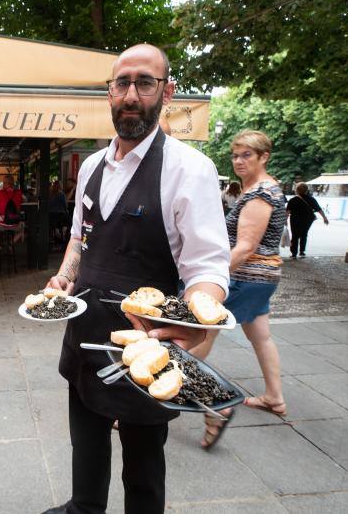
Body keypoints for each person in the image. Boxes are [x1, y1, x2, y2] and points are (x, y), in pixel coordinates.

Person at [41, 44, 230, 514]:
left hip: (147, 345)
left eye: (143, 83)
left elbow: (207, 266)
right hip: (84, 335)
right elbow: (79, 240)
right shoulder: (89, 167)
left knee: (143, 466)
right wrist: (63, 280)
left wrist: (199, 319)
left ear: (166, 92)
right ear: (109, 93)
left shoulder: (190, 169)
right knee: (85, 442)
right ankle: (83, 508)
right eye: (121, 83)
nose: (130, 94)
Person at [191, 130, 288, 448]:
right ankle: (275, 397)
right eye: (235, 155)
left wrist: (211, 277)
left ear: (264, 157)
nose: (238, 161)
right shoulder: (264, 189)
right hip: (262, 278)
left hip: (245, 278)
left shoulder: (260, 195)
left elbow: (244, 248)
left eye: (247, 155)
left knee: (198, 337)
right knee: (261, 336)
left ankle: (213, 406)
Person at [286, 182, 328, 258]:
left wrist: (285, 220)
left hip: (295, 219)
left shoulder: (293, 200)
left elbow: (288, 212)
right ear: (306, 190)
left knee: (295, 235)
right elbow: (319, 209)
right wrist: (325, 218)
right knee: (304, 234)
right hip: (308, 219)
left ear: (297, 190)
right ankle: (302, 252)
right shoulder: (311, 199)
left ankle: (294, 254)